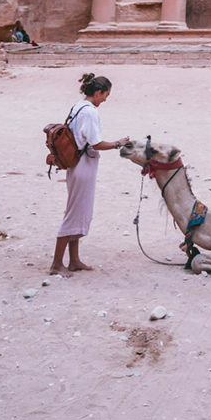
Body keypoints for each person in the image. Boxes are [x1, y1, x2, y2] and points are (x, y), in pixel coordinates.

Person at [50, 73, 129, 276]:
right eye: (106, 95)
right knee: (74, 212)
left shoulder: (78, 106)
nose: (106, 99)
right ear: (97, 92)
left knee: (79, 211)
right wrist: (117, 143)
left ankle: (74, 260)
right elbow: (95, 143)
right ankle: (57, 264)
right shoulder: (90, 112)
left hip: (77, 164)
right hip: (83, 166)